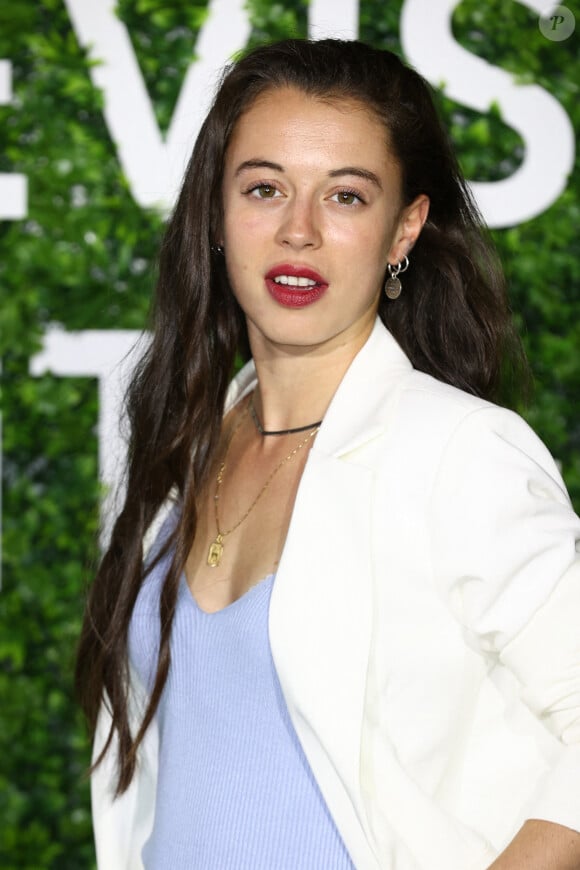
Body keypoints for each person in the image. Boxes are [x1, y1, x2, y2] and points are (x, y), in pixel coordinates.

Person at [75, 38, 580, 869]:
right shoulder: (182, 448)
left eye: (345, 197)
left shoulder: (456, 451)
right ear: (215, 211)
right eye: (265, 188)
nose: (298, 231)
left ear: (402, 230)